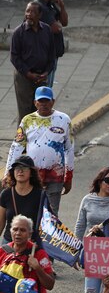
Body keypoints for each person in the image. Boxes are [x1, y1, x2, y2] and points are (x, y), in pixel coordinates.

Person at [6, 86, 73, 214]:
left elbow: (69, 149)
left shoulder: (64, 119)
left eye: (47, 101)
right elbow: (16, 147)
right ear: (35, 102)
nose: (44, 104)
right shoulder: (27, 121)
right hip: (32, 176)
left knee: (51, 214)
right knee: (31, 211)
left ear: (53, 101)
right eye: (40, 101)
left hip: (55, 176)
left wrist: (68, 177)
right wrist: (8, 173)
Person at [9, 2, 54, 123]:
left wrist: (46, 72)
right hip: (24, 77)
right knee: (25, 112)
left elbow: (51, 54)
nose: (29, 14)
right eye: (27, 11)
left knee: (41, 111)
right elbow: (14, 57)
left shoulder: (47, 30)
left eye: (33, 12)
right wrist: (28, 74)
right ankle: (21, 140)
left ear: (40, 14)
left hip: (41, 77)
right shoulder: (19, 32)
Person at [0, 219, 56, 293]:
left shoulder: (39, 254)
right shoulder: (3, 251)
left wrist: (37, 268)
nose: (18, 233)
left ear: (30, 234)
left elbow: (50, 285)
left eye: (22, 230)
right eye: (15, 229)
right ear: (10, 231)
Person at [0, 157, 46, 244]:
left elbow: (47, 225)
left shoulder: (41, 195)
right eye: (17, 168)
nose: (20, 171)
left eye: (24, 168)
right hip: (9, 244)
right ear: (13, 172)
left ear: (31, 173)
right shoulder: (6, 194)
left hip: (31, 245)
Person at [32, 0, 67, 87]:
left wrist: (61, 5)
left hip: (51, 54)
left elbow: (64, 22)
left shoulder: (49, 4)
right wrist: (58, 26)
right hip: (44, 56)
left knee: (48, 85)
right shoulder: (39, 7)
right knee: (45, 88)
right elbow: (57, 28)